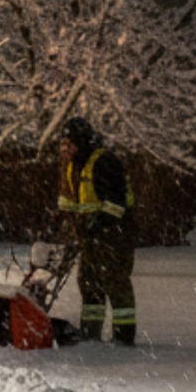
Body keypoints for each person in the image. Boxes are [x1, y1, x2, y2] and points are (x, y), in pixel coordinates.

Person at [55, 116, 137, 345]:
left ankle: (124, 337)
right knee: (88, 281)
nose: (65, 148)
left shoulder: (104, 162)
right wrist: (68, 230)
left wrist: (99, 220)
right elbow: (69, 204)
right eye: (62, 144)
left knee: (114, 281)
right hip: (88, 235)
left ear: (81, 142)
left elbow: (117, 201)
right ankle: (90, 334)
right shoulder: (72, 166)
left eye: (69, 143)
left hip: (114, 232)